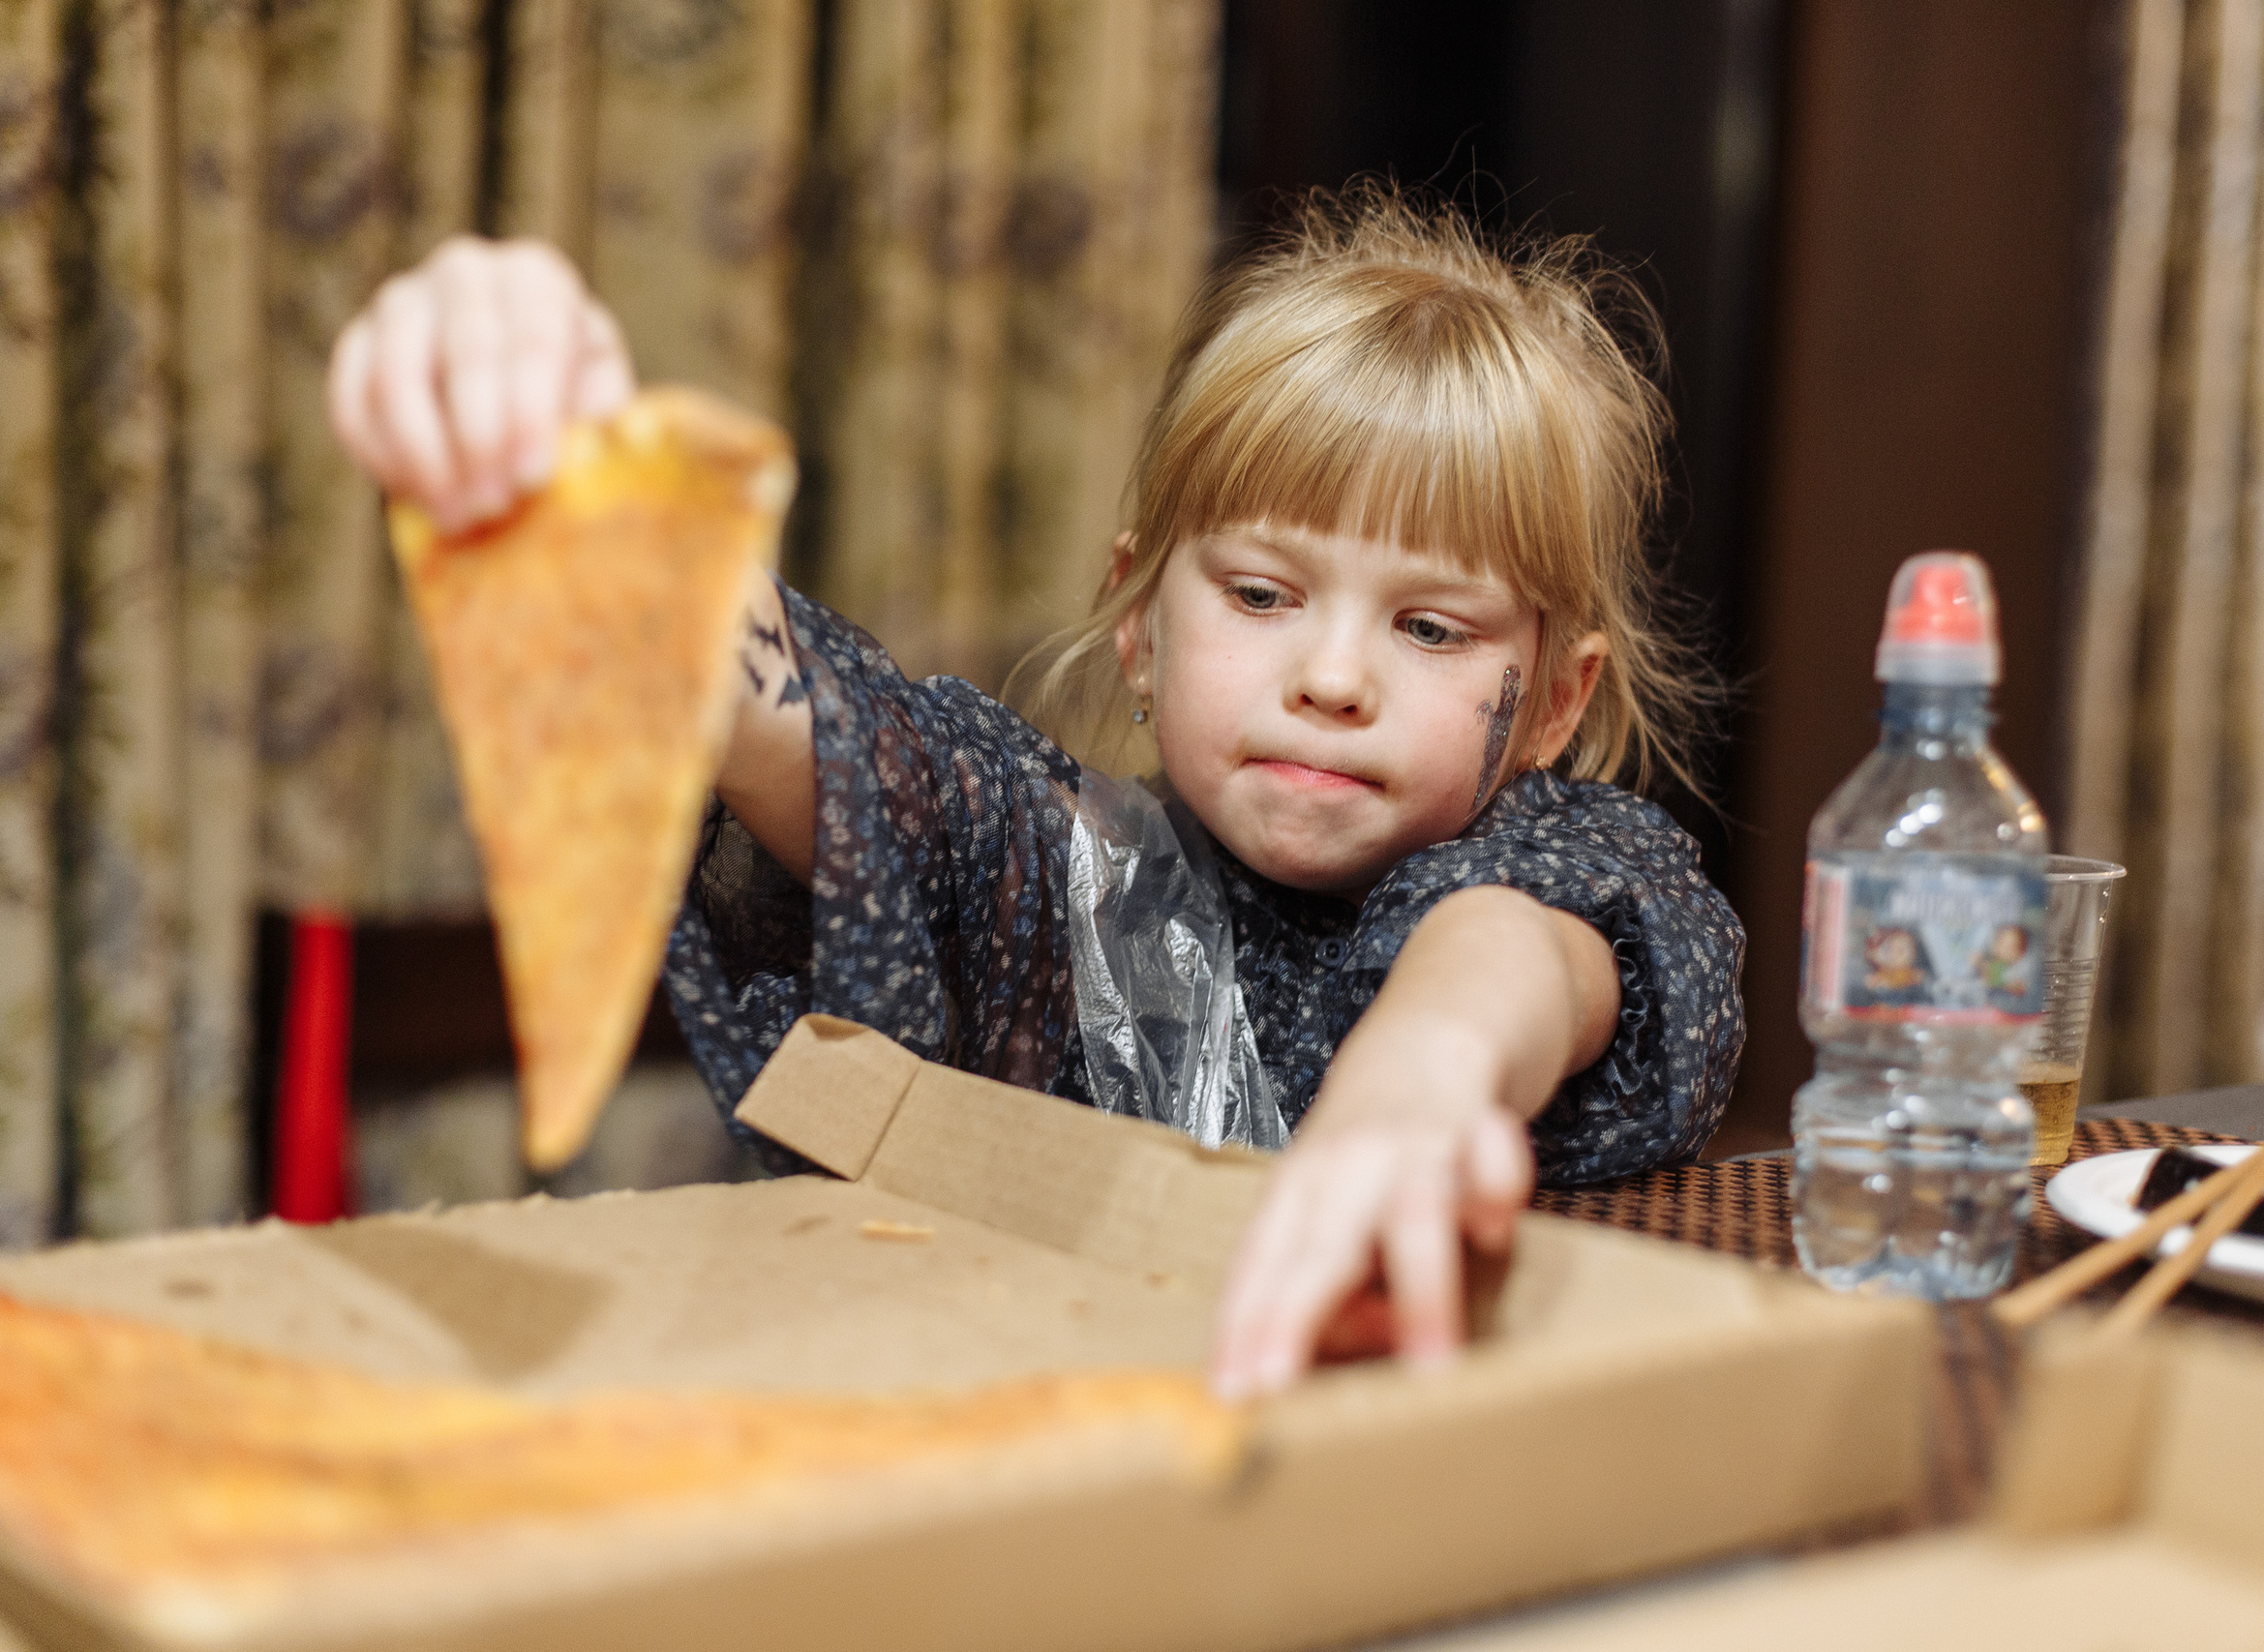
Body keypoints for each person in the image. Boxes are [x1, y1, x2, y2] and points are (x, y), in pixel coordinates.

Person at [326, 186, 1746, 1401]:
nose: (1332, 675)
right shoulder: (1066, 874)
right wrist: (580, 479)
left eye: (1430, 630)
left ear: (1557, 701)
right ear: (1141, 630)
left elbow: (1521, 949)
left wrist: (1429, 1074)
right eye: (1261, 593)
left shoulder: (1567, 863)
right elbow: (838, 740)